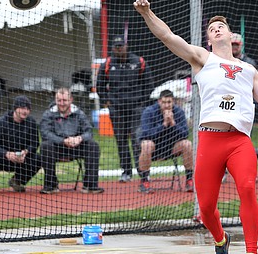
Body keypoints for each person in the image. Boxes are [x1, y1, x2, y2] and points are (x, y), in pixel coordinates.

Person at [134, 0, 258, 253]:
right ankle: (220, 239)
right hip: (210, 140)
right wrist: (146, 12)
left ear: (230, 35)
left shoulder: (248, 69)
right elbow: (168, 36)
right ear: (208, 39)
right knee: (206, 207)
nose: (217, 29)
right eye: (212, 28)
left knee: (248, 188)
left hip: (239, 141)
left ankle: (252, 250)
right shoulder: (202, 58)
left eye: (221, 27)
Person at [96, 35, 154, 183]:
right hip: (116, 109)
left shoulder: (139, 62)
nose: (119, 49)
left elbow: (149, 85)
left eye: (121, 46)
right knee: (121, 140)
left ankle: (142, 172)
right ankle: (126, 172)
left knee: (137, 139)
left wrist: (142, 103)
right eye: (116, 46)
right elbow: (100, 85)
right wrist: (107, 101)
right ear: (113, 48)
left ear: (126, 46)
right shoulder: (107, 64)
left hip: (136, 108)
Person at [40, 88, 104, 194]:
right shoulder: (48, 114)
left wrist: (79, 138)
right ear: (55, 100)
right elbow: (45, 133)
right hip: (57, 148)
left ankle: (90, 185)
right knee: (45, 146)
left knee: (93, 145)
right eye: (59, 100)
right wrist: (63, 141)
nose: (62, 103)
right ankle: (51, 185)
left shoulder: (79, 114)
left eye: (64, 100)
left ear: (71, 100)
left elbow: (89, 131)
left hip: (76, 147)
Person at [138, 89, 193, 193]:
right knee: (146, 144)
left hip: (172, 148)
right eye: (164, 102)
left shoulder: (179, 112)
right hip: (154, 148)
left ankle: (189, 180)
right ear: (159, 101)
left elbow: (185, 134)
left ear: (173, 102)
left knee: (187, 144)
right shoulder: (149, 112)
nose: (166, 105)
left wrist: (173, 124)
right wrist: (163, 125)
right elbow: (145, 134)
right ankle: (144, 181)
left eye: (169, 102)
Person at [222, 33, 258, 183]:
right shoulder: (221, 61)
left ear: (240, 45)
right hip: (225, 105)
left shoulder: (249, 63)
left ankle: (246, 173)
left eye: (236, 45)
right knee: (223, 137)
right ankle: (222, 171)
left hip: (243, 107)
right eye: (232, 44)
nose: (234, 47)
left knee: (244, 139)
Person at [0, 95, 41, 193]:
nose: (25, 111)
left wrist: (26, 152)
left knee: (38, 158)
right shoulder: (1, 122)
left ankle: (16, 181)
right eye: (23, 108)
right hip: (2, 159)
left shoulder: (31, 122)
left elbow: (35, 143)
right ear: (15, 108)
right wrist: (6, 154)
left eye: (28, 109)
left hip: (21, 160)